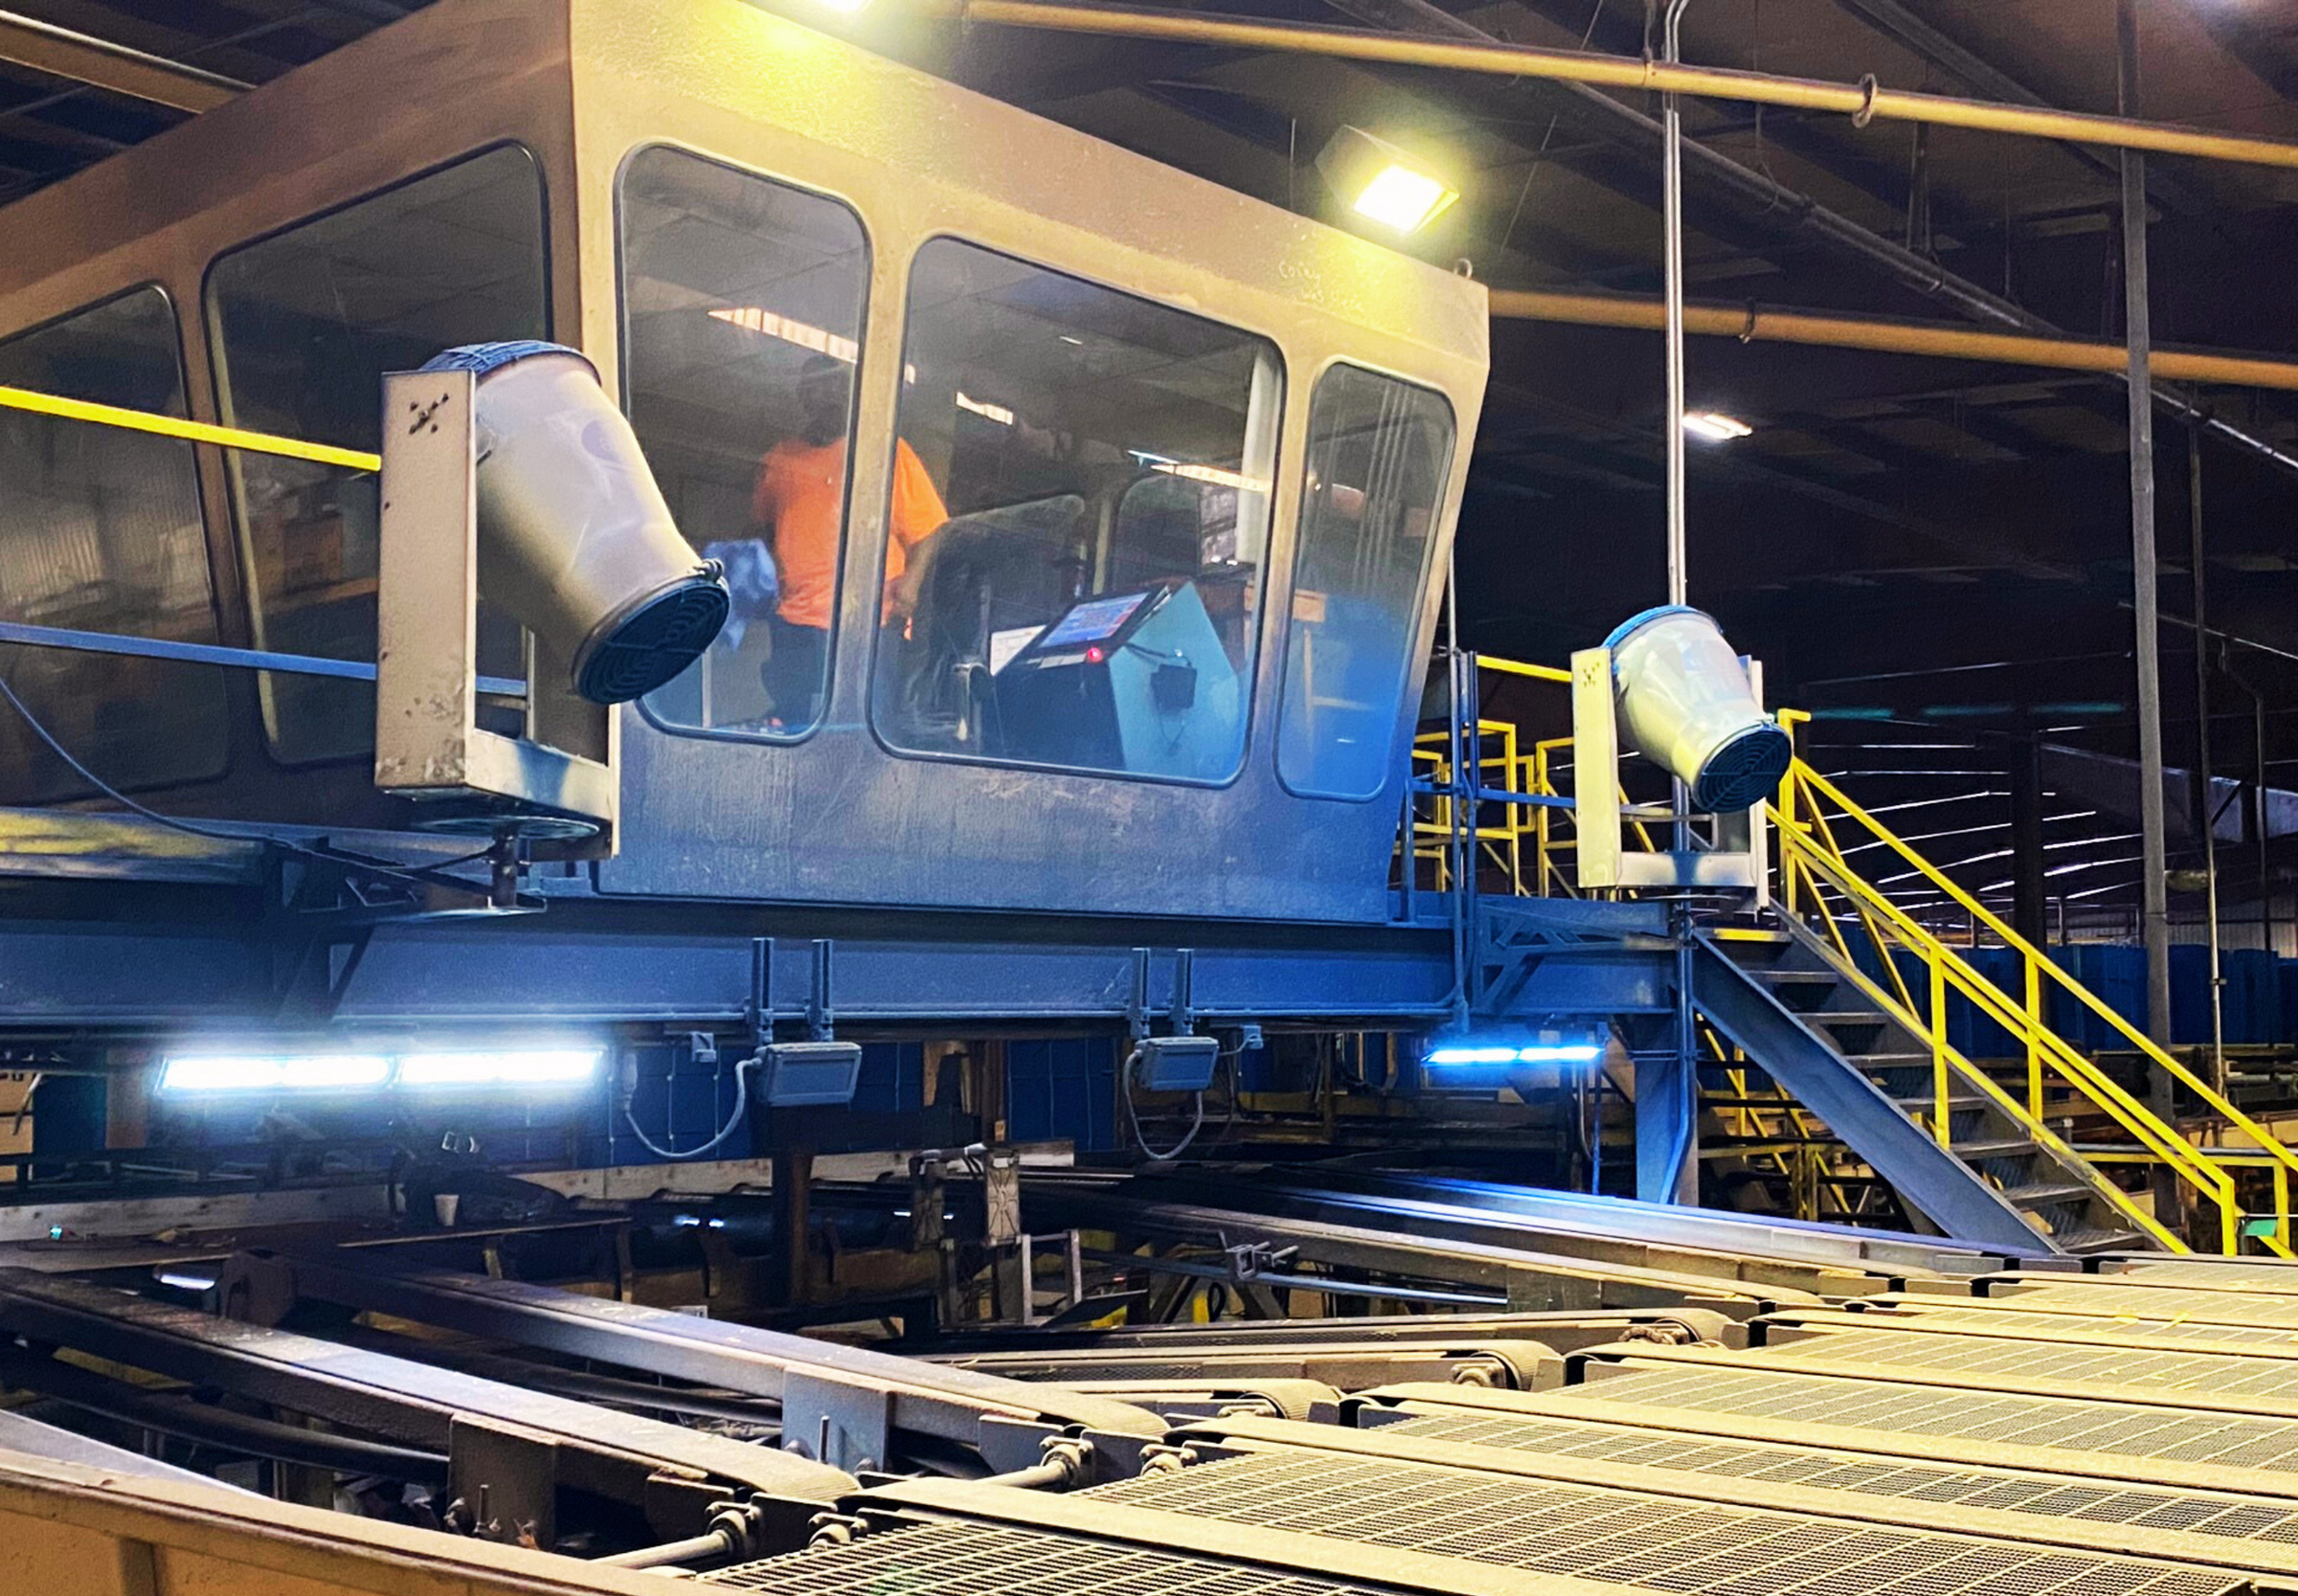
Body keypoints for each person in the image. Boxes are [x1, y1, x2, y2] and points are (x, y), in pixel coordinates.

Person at [750, 354, 948, 729]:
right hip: (794, 620)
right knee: (792, 725)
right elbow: (763, 528)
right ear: (802, 397)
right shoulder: (779, 459)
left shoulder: (884, 454)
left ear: (848, 396)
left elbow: (930, 529)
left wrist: (912, 586)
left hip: (866, 624)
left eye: (832, 389)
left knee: (858, 731)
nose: (823, 398)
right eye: (813, 390)